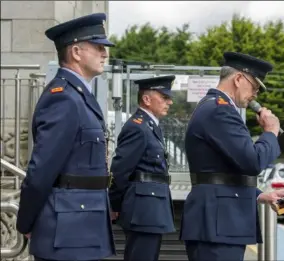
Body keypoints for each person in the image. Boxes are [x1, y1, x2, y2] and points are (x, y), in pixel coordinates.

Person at [16, 13, 116, 261]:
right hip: (67, 233)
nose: (105, 54)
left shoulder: (79, 96)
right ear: (76, 52)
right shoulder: (64, 98)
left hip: (81, 228)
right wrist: (26, 222)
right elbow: (41, 171)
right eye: (98, 47)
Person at [180, 51, 284, 261]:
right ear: (239, 78)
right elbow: (252, 162)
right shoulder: (219, 110)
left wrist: (258, 195)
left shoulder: (215, 108)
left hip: (219, 222)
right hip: (218, 224)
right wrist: (271, 132)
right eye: (255, 86)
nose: (255, 94)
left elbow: (224, 170)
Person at [109, 75, 176, 261]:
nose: (169, 102)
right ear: (146, 99)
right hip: (143, 209)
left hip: (150, 208)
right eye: (163, 97)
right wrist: (114, 204)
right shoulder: (137, 127)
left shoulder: (150, 125)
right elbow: (120, 169)